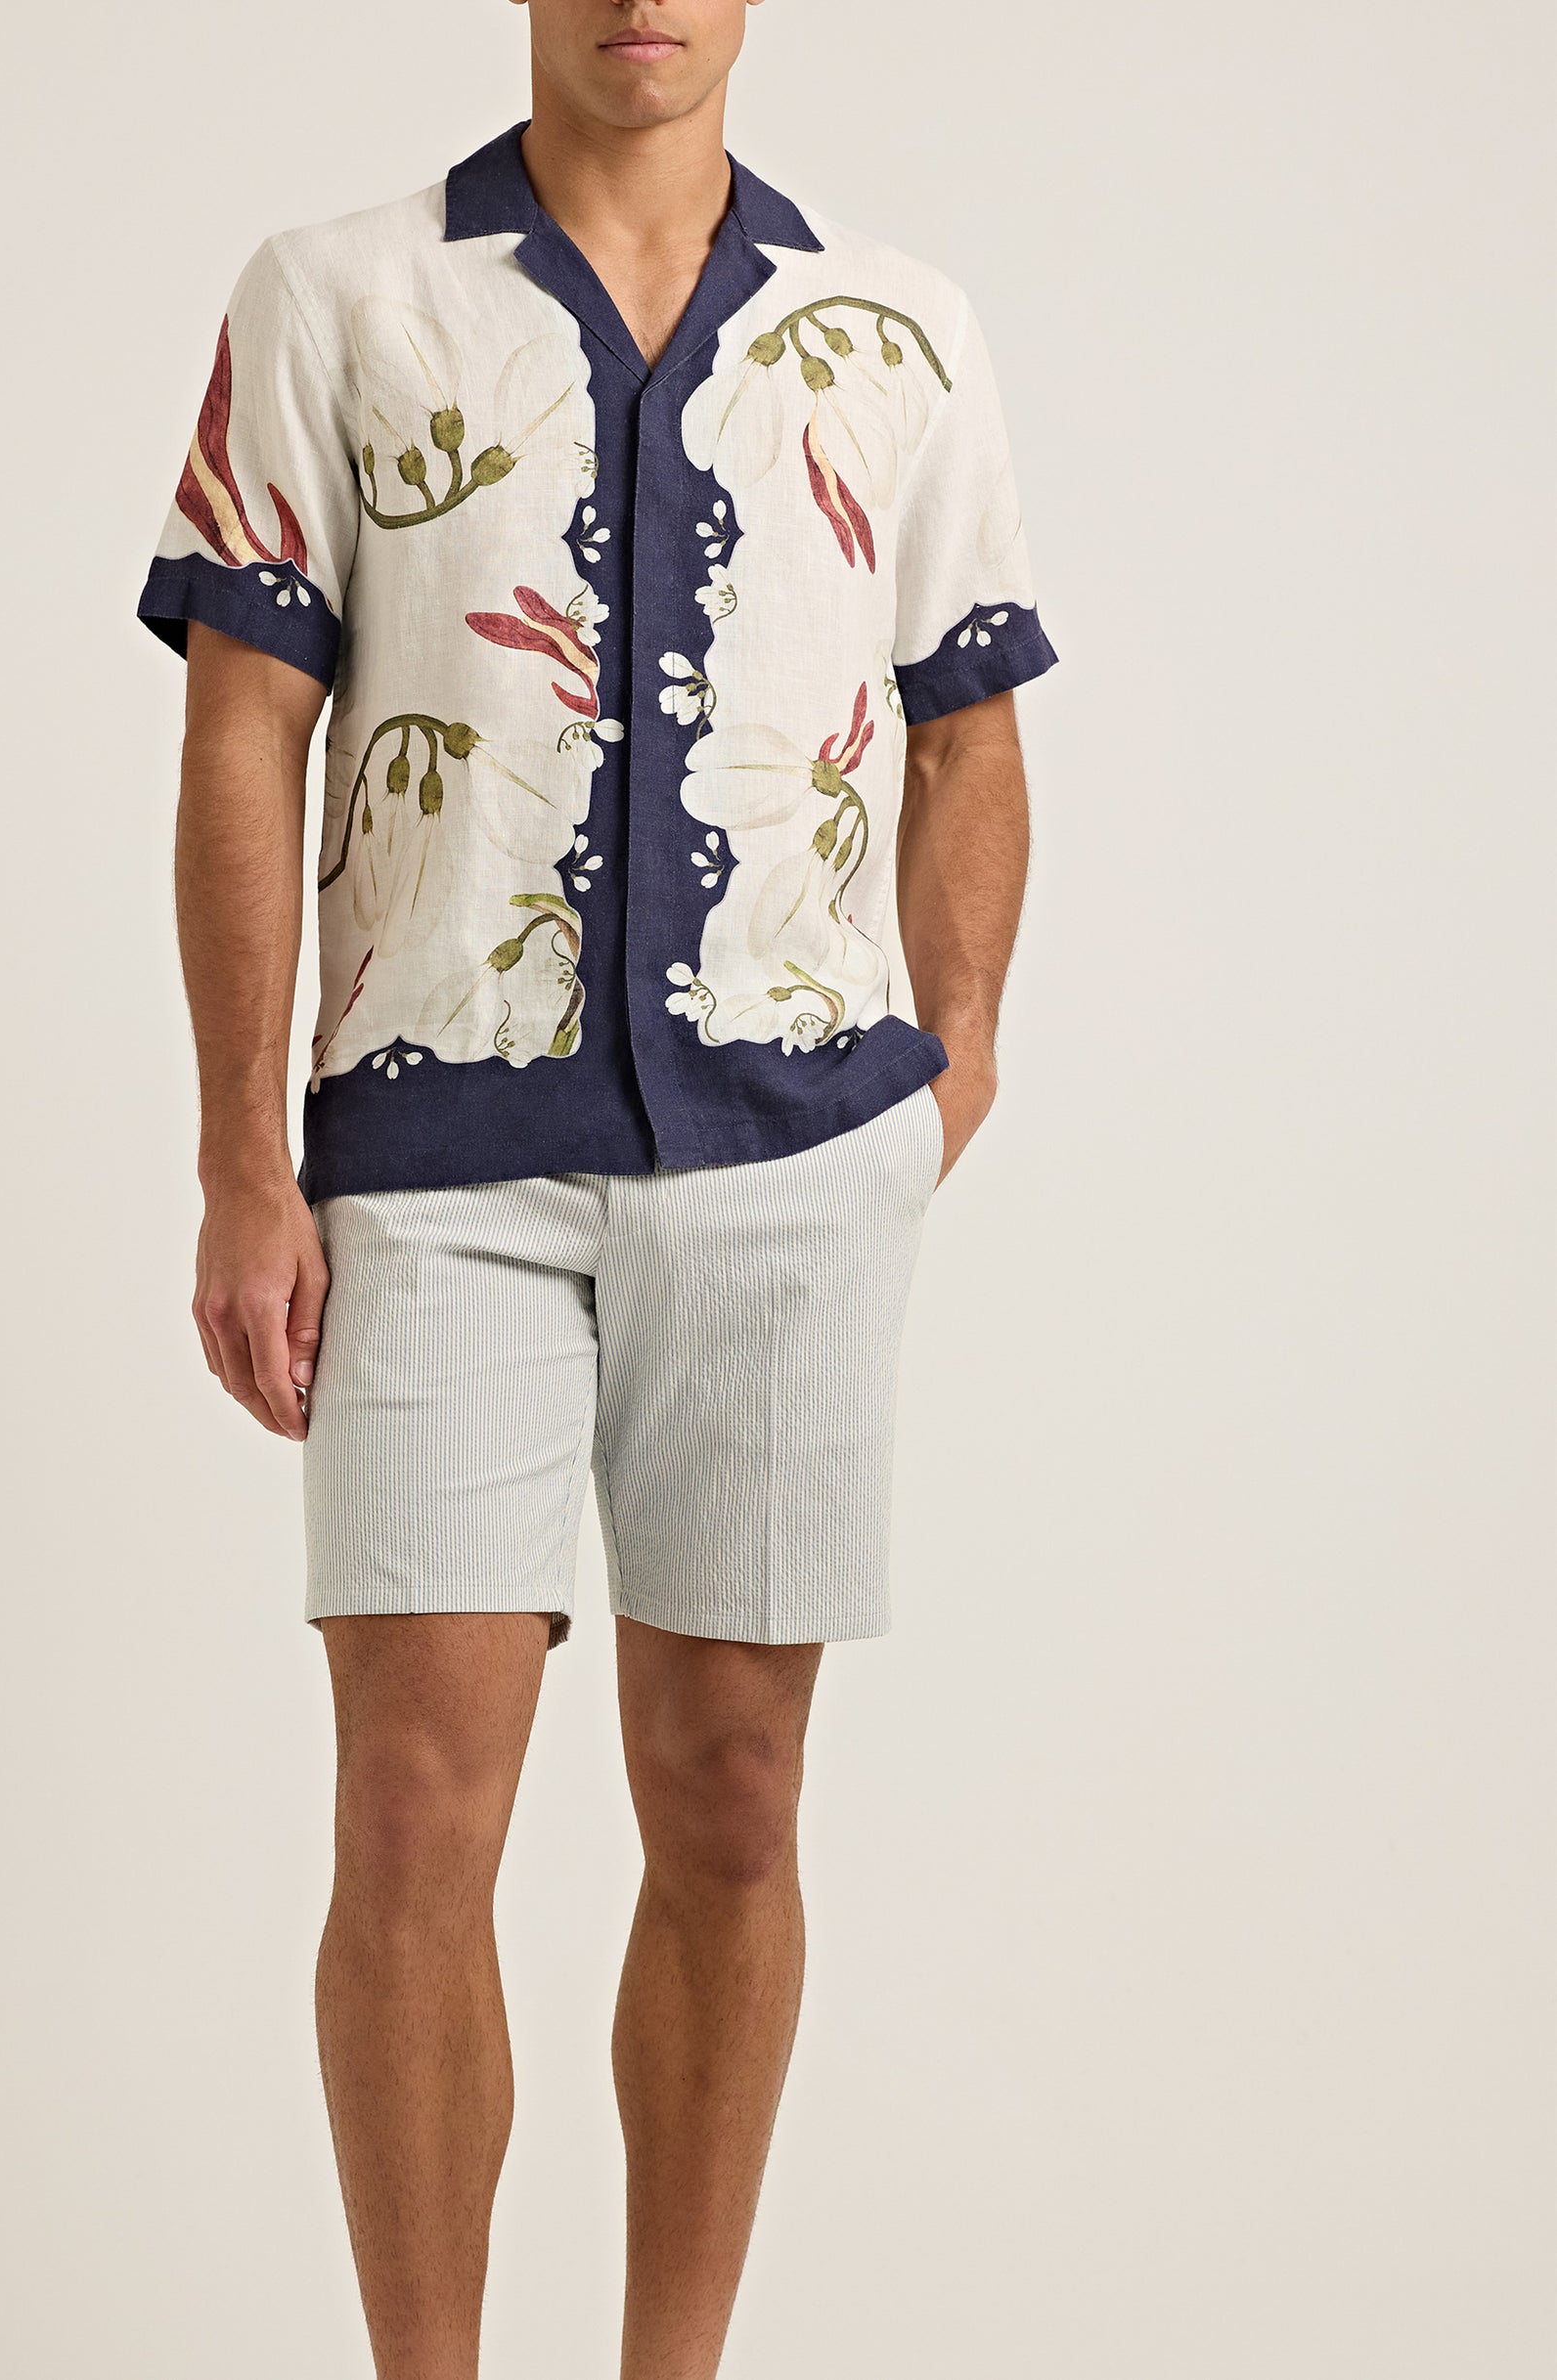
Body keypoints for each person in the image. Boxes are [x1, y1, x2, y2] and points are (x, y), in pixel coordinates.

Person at [137, 2, 1055, 2369]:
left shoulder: (898, 330)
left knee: (732, 1797)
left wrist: (939, 1084)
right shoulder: (336, 295)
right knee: (412, 1815)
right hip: (434, 1164)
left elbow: (968, 727)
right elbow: (243, 730)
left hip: (789, 1164)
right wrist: (243, 1159)